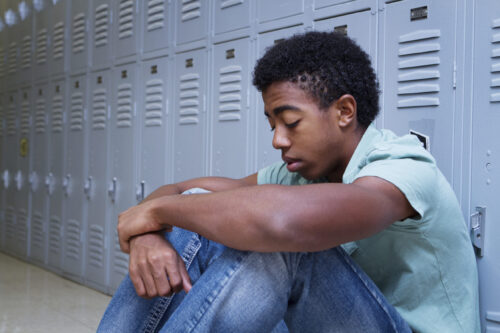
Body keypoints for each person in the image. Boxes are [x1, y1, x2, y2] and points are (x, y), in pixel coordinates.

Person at [98, 31, 480, 333]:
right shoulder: (300, 174)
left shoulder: (402, 166)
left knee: (280, 241)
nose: (277, 140)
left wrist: (156, 212)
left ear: (345, 111)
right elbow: (182, 190)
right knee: (201, 212)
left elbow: (284, 223)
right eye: (272, 124)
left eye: (290, 122)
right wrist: (148, 233)